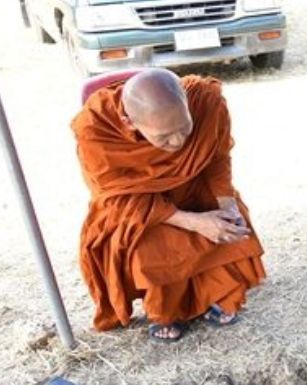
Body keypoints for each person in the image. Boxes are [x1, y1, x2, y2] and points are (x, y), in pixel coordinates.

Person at [72, 68, 266, 342]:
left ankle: (218, 293)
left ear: (187, 103)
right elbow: (115, 196)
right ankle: (166, 311)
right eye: (163, 137)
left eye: (185, 129)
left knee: (231, 224)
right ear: (129, 122)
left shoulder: (205, 101)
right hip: (141, 204)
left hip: (192, 186)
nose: (178, 142)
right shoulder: (95, 130)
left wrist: (226, 204)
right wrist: (193, 221)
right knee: (149, 245)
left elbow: (215, 156)